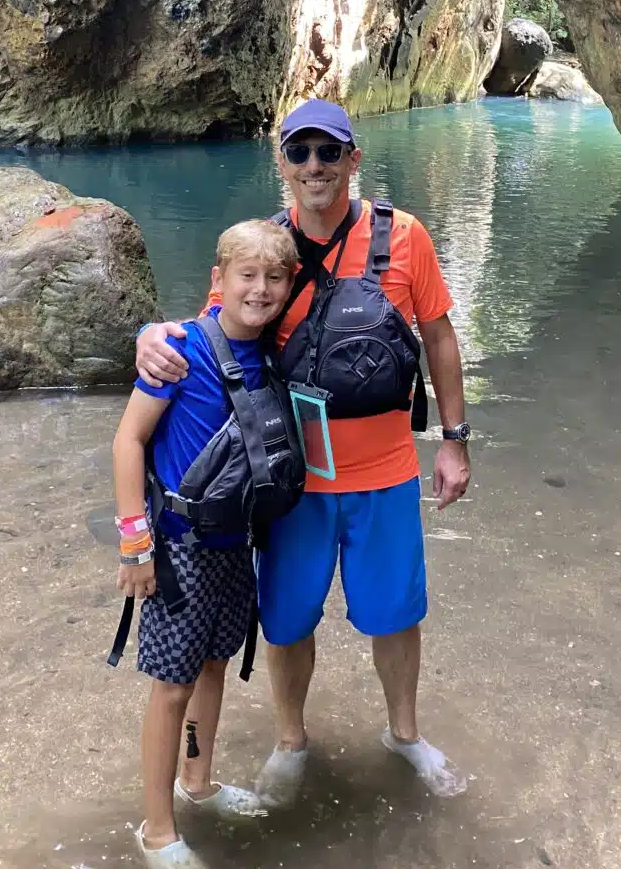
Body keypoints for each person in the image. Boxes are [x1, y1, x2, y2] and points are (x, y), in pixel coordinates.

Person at [136, 99, 473, 804]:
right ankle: (291, 738)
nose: (314, 166)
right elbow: (213, 330)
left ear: (353, 159)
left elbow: (439, 337)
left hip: (385, 472)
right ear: (282, 162)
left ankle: (403, 734)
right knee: (287, 620)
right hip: (291, 480)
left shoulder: (404, 236)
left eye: (329, 151)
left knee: (395, 616)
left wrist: (454, 441)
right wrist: (152, 334)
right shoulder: (263, 251)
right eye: (300, 152)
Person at [113, 219, 300, 869]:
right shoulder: (181, 349)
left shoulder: (273, 351)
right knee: (171, 686)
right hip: (178, 546)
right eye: (246, 275)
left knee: (215, 666)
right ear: (217, 282)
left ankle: (197, 781)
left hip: (234, 544)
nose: (261, 288)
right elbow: (128, 441)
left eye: (275, 277)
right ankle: (156, 828)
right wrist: (134, 542)